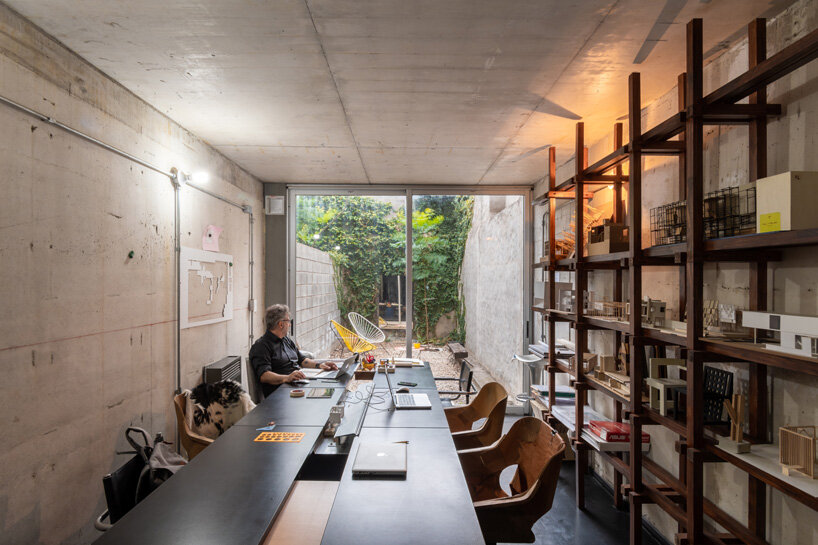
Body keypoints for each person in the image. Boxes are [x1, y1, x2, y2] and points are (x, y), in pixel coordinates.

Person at [249, 304, 338, 397]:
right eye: (288, 321)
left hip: (298, 385)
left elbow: (302, 360)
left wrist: (320, 365)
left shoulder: (286, 340)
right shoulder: (261, 346)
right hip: (280, 393)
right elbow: (264, 376)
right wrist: (287, 378)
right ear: (281, 324)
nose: (290, 324)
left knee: (329, 390)